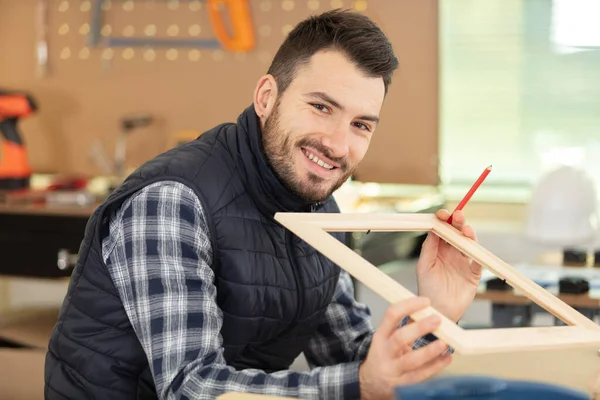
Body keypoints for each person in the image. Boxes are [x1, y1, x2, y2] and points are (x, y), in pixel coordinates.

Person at [44, 8, 482, 400]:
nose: (338, 144)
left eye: (361, 124)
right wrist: (361, 386)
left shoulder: (319, 210)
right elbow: (192, 387)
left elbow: (352, 359)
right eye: (321, 107)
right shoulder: (173, 200)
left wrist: (437, 313)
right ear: (267, 97)